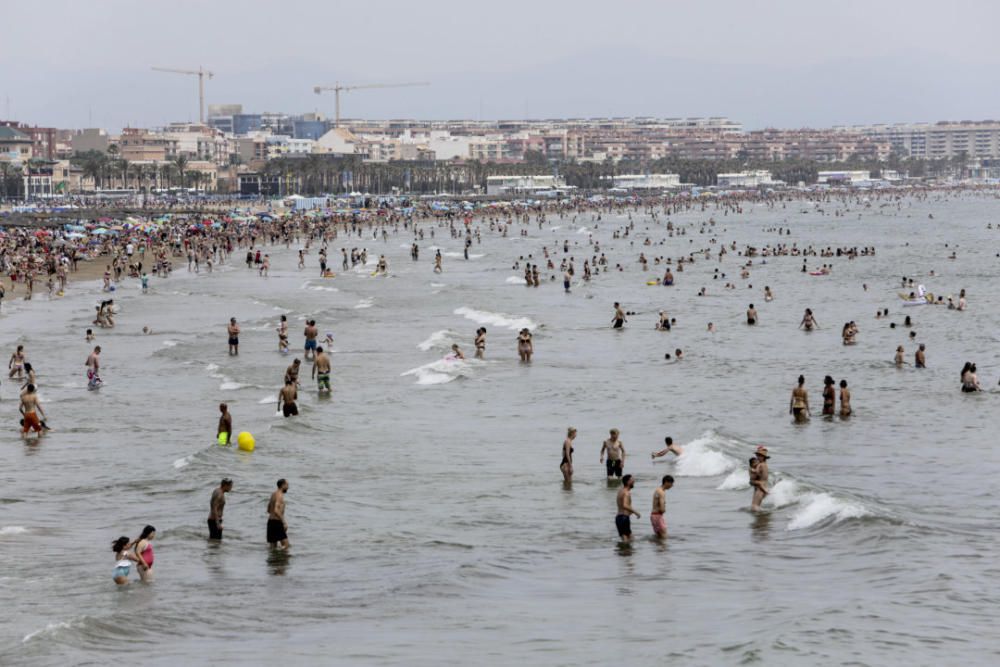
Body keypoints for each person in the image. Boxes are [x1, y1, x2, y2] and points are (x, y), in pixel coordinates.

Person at [615, 475, 640, 543]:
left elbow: (621, 505)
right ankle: (626, 552)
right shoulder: (626, 493)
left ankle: (623, 552)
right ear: (628, 482)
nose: (634, 481)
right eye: (632, 480)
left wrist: (630, 512)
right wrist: (635, 512)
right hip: (624, 518)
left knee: (626, 538)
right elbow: (625, 505)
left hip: (618, 518)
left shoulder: (620, 491)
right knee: (628, 539)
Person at [267, 479, 290, 549]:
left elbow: (268, 510)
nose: (288, 487)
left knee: (273, 547)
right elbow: (276, 510)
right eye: (287, 485)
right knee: (286, 546)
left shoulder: (273, 494)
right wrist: (283, 522)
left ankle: (274, 559)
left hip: (270, 522)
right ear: (282, 485)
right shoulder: (280, 495)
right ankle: (282, 559)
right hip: (277, 522)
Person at [750, 447, 770, 511]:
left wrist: (752, 471)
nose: (757, 457)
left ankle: (761, 519)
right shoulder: (765, 464)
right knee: (756, 506)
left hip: (760, 488)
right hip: (764, 486)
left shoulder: (760, 465)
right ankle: (762, 518)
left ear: (763, 457)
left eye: (759, 455)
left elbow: (757, 473)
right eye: (757, 455)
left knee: (754, 507)